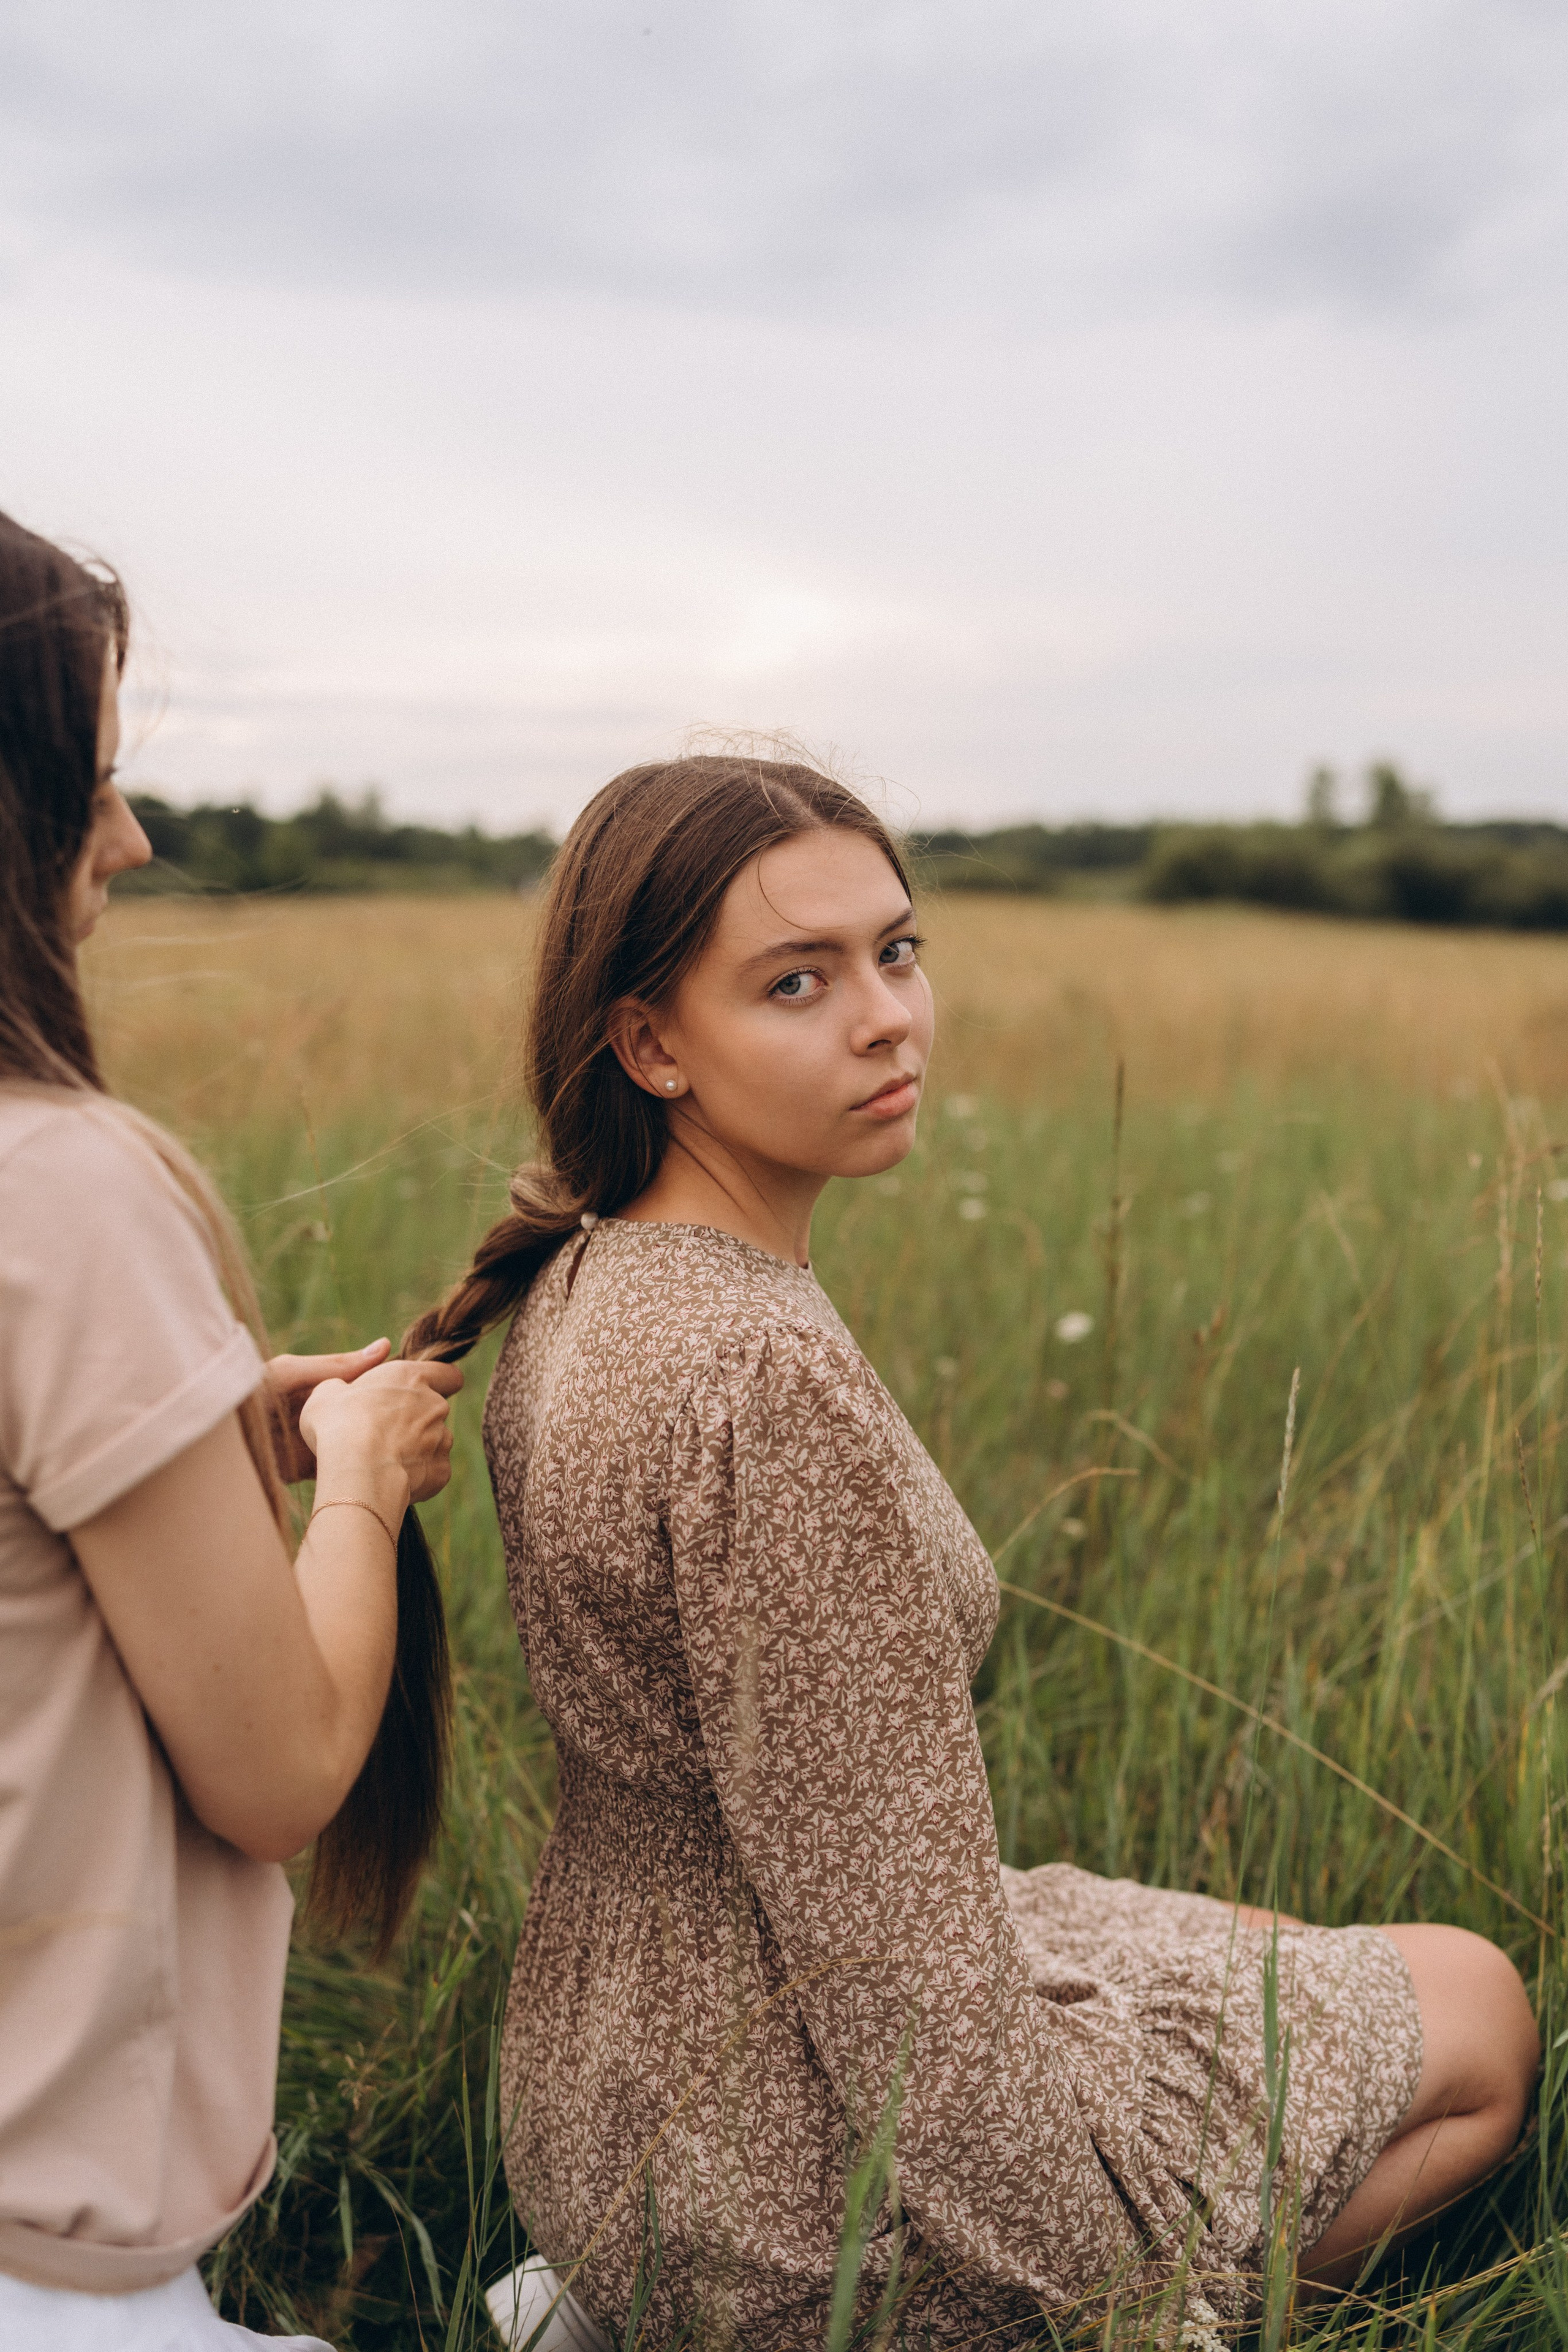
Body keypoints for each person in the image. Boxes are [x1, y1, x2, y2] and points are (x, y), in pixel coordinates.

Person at [408, 751, 1539, 2347]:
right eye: (799, 981)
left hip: (603, 2102)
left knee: (1296, 1951)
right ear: (652, 1042)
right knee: (1483, 2013)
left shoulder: (598, 1277)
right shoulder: (762, 1385)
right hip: (773, 2176)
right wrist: (1113, 2300)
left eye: (898, 950)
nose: (886, 1015)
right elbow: (894, 1983)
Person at [0, 510, 462, 2350]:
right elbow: (278, 1773)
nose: (129, 835)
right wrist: (353, 1490)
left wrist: (197, 1443)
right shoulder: (66, 1194)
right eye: (88, 780)